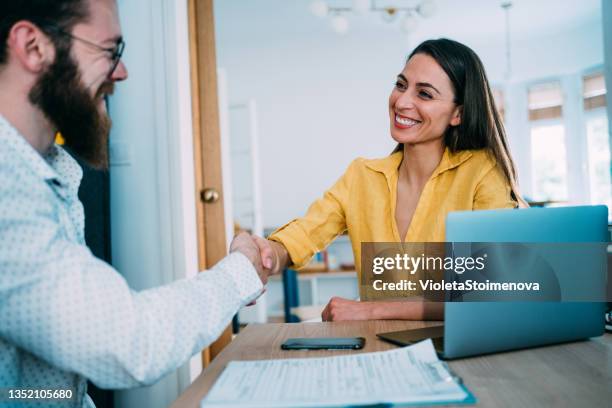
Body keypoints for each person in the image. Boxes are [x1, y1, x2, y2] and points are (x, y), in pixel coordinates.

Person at [0, 1, 274, 407]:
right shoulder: (7, 186)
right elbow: (130, 343)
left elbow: (51, 392)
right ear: (33, 46)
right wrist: (242, 270)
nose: (121, 72)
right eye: (110, 51)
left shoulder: (48, 173)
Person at [253, 38, 527, 322]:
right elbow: (304, 235)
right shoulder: (362, 176)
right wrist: (263, 255)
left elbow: (490, 290)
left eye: (424, 94)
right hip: (380, 348)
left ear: (458, 114)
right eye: (401, 85)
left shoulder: (482, 172)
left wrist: (371, 308)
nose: (402, 101)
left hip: (457, 349)